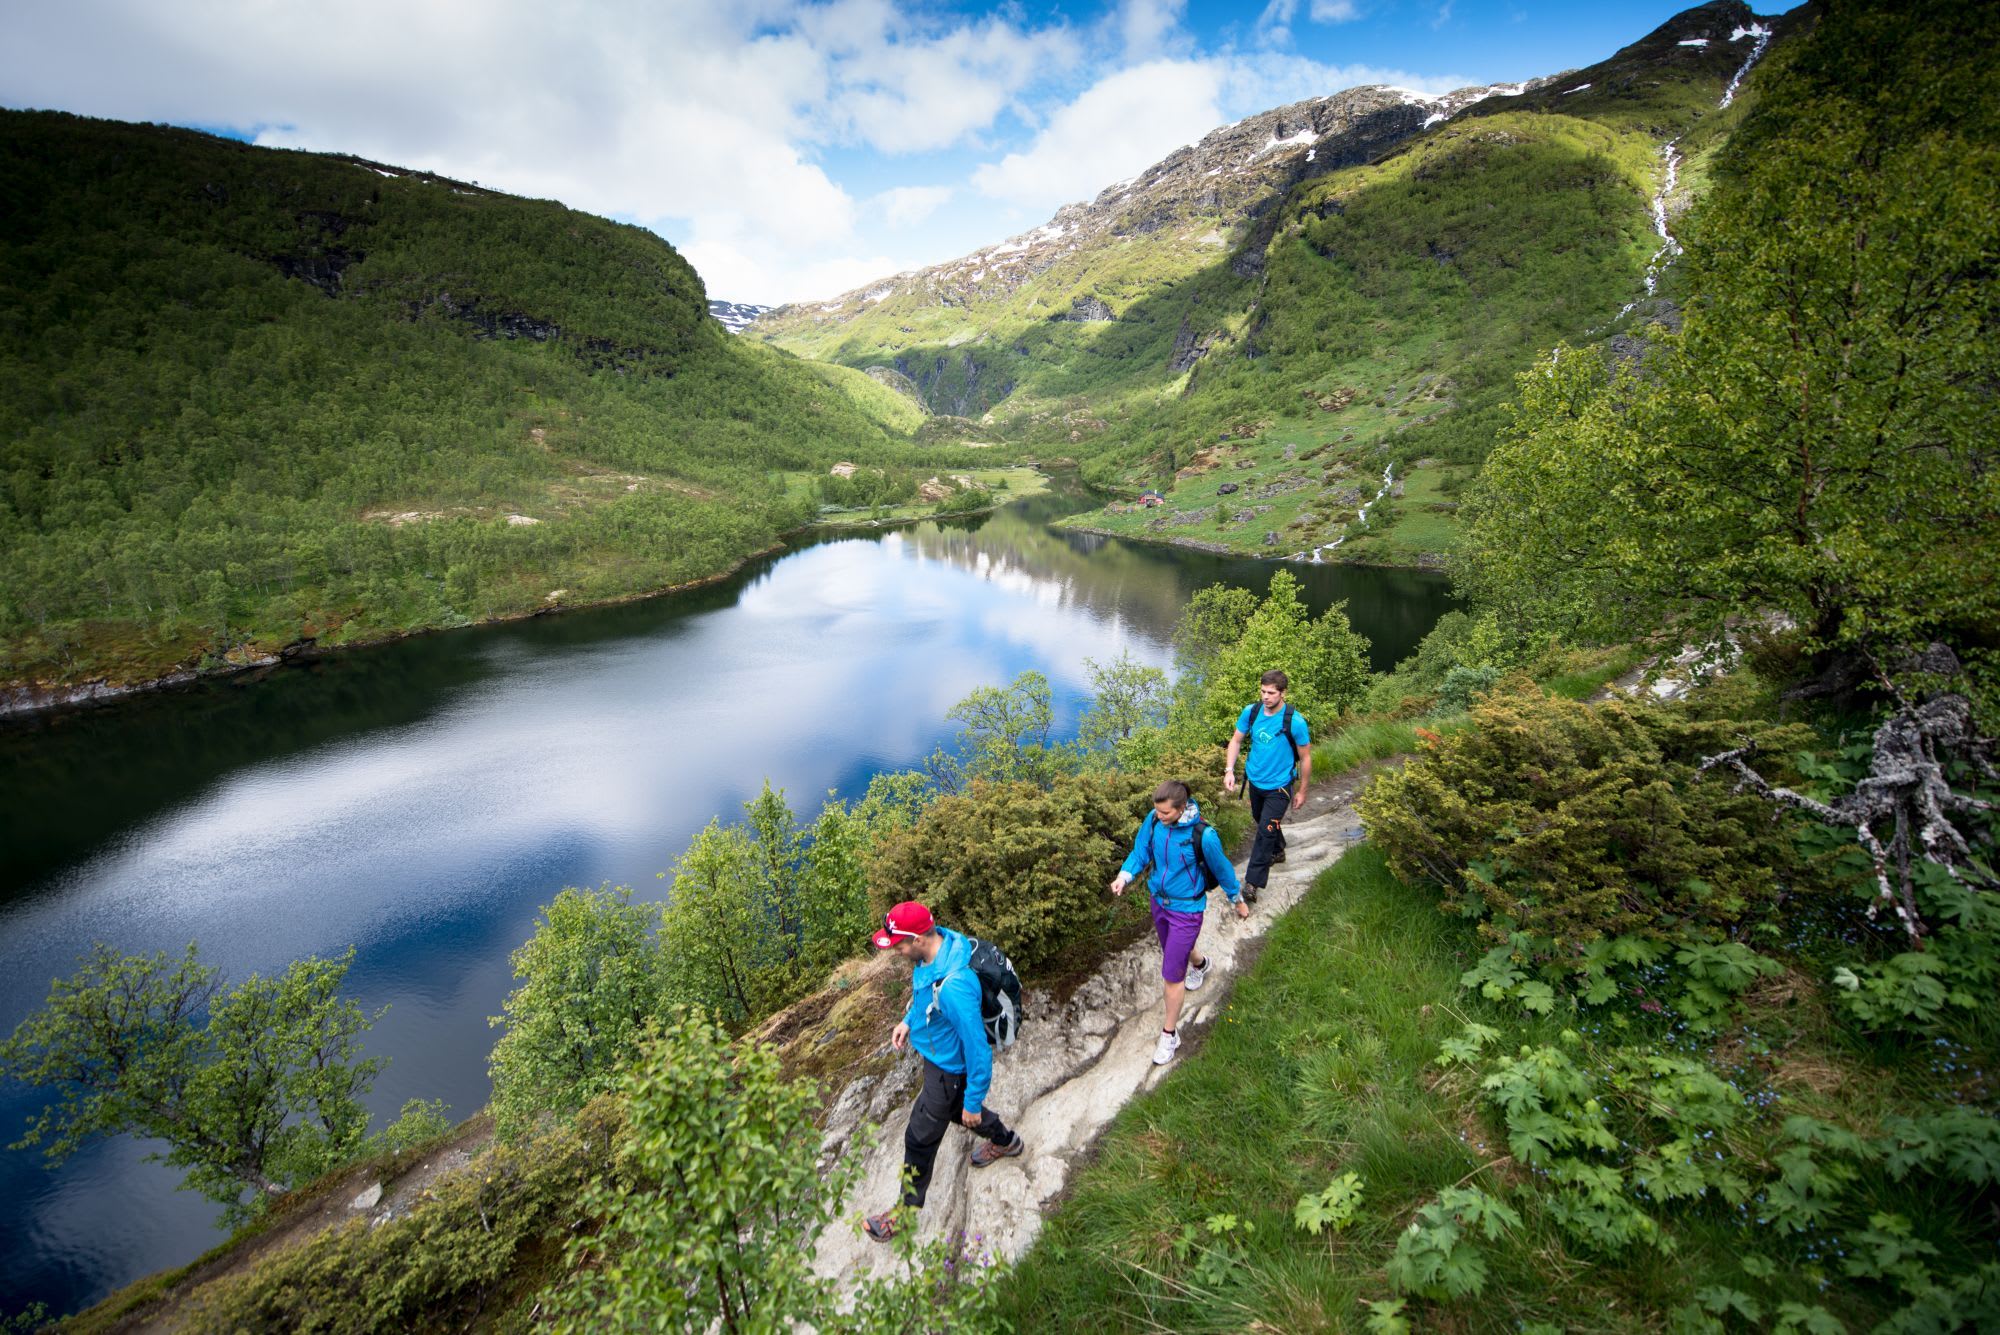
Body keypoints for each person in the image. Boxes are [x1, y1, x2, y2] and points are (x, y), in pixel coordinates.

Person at [864, 900, 1024, 1242]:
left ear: (920, 939)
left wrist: (973, 1099)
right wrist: (908, 1022)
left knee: (918, 1138)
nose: (897, 951)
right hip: (939, 1059)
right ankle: (1006, 1141)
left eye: (900, 945)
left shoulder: (953, 987)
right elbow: (925, 997)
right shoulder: (938, 952)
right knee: (956, 1112)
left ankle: (904, 1214)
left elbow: (978, 1049)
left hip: (947, 1071)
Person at [1110, 779, 1247, 1066]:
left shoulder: (1204, 836)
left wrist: (1237, 899)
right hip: (1159, 902)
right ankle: (1200, 964)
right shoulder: (1153, 820)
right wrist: (1124, 876)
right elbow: (1140, 852)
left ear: (1182, 808)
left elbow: (1222, 869)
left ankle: (1170, 1034)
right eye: (1157, 812)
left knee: (1172, 975)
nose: (1159, 818)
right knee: (1175, 952)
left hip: (1188, 909)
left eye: (1166, 814)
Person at [1222, 669, 1311, 904]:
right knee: (1260, 819)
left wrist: (1302, 790)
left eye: (1271, 693)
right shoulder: (1251, 712)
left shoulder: (1295, 721)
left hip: (1279, 786)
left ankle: (1252, 883)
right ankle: (1278, 850)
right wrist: (1229, 770)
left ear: (1283, 693)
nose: (1265, 697)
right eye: (1262, 691)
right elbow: (1236, 740)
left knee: (1264, 832)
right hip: (1255, 781)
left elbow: (1306, 757)